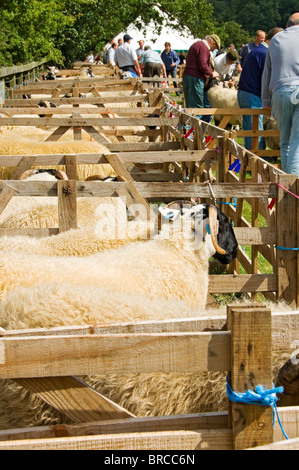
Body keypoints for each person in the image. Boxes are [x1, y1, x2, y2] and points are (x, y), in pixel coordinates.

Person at [262, 13, 299, 176]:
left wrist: (266, 101)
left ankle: (287, 185)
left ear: (288, 24)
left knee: (285, 143)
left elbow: (266, 73)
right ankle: (295, 188)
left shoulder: (276, 40)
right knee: (297, 143)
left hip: (281, 91)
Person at [238, 27, 283, 150]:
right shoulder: (265, 53)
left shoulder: (258, 50)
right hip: (253, 95)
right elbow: (267, 79)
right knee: (255, 131)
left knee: (250, 130)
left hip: (246, 93)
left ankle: (250, 160)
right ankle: (257, 161)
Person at [182, 35, 221, 114]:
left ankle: (189, 125)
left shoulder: (197, 44)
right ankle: (195, 125)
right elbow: (203, 65)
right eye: (215, 47)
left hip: (188, 76)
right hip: (195, 79)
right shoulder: (203, 47)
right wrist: (211, 73)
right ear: (213, 43)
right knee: (197, 107)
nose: (213, 50)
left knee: (190, 105)